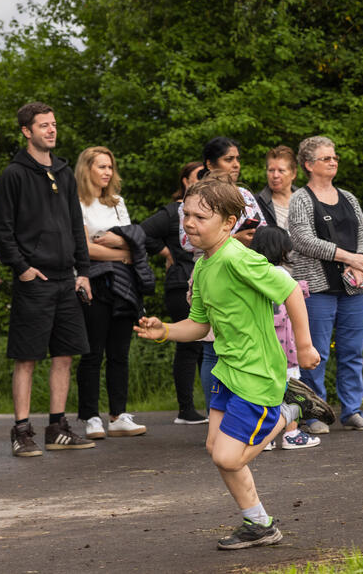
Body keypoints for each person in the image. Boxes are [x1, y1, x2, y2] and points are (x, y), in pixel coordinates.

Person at [134, 177, 334, 549]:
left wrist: (305, 347)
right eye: (186, 215)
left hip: (256, 373)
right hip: (228, 372)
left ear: (228, 222)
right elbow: (199, 326)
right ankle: (259, 524)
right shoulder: (206, 266)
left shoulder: (238, 257)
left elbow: (290, 289)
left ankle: (289, 411)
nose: (189, 223)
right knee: (218, 451)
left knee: (228, 457)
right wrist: (164, 331)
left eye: (200, 216)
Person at [0, 102, 96, 457]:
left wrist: (83, 271)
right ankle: (21, 430)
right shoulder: (14, 175)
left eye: (53, 125)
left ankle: (58, 427)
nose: (51, 130)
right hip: (34, 279)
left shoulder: (65, 172)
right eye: (43, 126)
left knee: (65, 355)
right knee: (27, 357)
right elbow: (2, 231)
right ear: (27, 131)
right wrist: (22, 268)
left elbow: (75, 226)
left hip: (67, 280)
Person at [288, 135, 363, 433]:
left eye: (334, 156)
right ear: (309, 165)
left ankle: (352, 410)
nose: (334, 161)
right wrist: (347, 257)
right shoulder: (301, 198)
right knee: (316, 354)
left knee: (352, 351)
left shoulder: (349, 197)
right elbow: (302, 239)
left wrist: (361, 261)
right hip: (317, 288)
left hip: (354, 287)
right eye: (326, 158)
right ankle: (314, 414)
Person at [178, 138, 266, 407]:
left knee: (246, 343)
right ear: (209, 164)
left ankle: (250, 409)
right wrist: (233, 237)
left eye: (238, 159)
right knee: (211, 347)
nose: (236, 165)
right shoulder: (196, 196)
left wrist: (250, 236)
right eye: (229, 159)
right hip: (210, 270)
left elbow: (265, 230)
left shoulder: (246, 195)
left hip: (243, 270)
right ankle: (216, 411)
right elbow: (184, 239)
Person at [75, 146, 151, 439]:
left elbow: (133, 242)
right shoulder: (77, 202)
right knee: (93, 352)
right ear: (87, 169)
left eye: (110, 167)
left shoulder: (118, 202)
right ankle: (91, 416)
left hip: (123, 286)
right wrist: (119, 252)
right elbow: (83, 248)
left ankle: (118, 414)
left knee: (119, 352)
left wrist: (115, 247)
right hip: (94, 283)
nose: (107, 172)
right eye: (101, 167)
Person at [141, 161, 208, 425]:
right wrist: (167, 252)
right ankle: (186, 409)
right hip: (182, 282)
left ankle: (208, 407)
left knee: (204, 348)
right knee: (189, 347)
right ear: (184, 181)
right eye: (198, 177)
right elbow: (143, 232)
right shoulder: (172, 212)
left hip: (201, 280)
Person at [250, 226, 320, 450]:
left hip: (261, 344)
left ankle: (265, 437)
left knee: (262, 393)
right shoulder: (281, 274)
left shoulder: (251, 273)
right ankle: (291, 433)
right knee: (290, 391)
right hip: (285, 345)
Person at [255, 146, 299, 229]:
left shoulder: (307, 200)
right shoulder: (256, 203)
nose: (275, 175)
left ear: (293, 174)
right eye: (271, 170)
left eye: (281, 171)